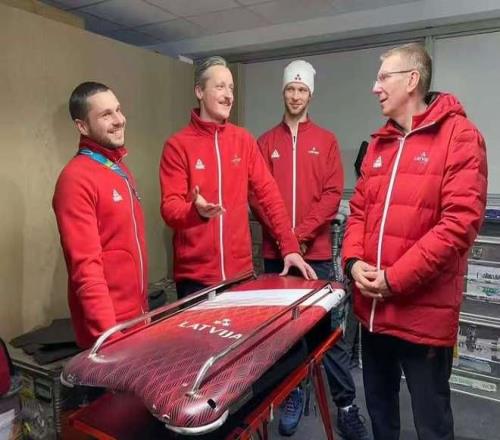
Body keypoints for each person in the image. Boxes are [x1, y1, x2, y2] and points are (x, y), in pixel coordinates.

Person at [342, 43, 488, 440]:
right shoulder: (379, 143)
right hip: (373, 312)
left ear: (412, 80)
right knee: (380, 414)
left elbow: (458, 224)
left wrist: (394, 279)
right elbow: (358, 212)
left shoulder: (460, 137)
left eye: (383, 77)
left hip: (422, 315)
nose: (375, 88)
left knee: (431, 422)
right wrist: (353, 262)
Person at [251, 60, 368, 439]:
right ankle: (292, 394)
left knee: (326, 335)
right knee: (283, 335)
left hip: (315, 255)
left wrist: (299, 237)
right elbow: (257, 198)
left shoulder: (326, 141)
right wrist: (285, 241)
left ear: (310, 94)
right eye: (290, 89)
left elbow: (332, 195)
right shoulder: (265, 143)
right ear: (283, 92)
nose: (295, 96)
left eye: (302, 90)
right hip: (277, 258)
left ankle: (346, 405)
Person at [160, 56, 316, 298]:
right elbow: (170, 209)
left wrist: (290, 247)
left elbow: (269, 196)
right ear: (199, 91)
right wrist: (194, 211)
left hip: (239, 276)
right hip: (196, 279)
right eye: (220, 87)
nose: (228, 95)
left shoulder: (243, 140)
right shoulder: (177, 146)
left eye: (231, 88)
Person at [53, 82, 148, 349]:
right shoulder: (75, 179)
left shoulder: (119, 169)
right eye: (106, 114)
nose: (119, 120)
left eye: (118, 110)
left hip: (136, 319)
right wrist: (109, 338)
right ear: (82, 126)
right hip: (110, 331)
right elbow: (86, 269)